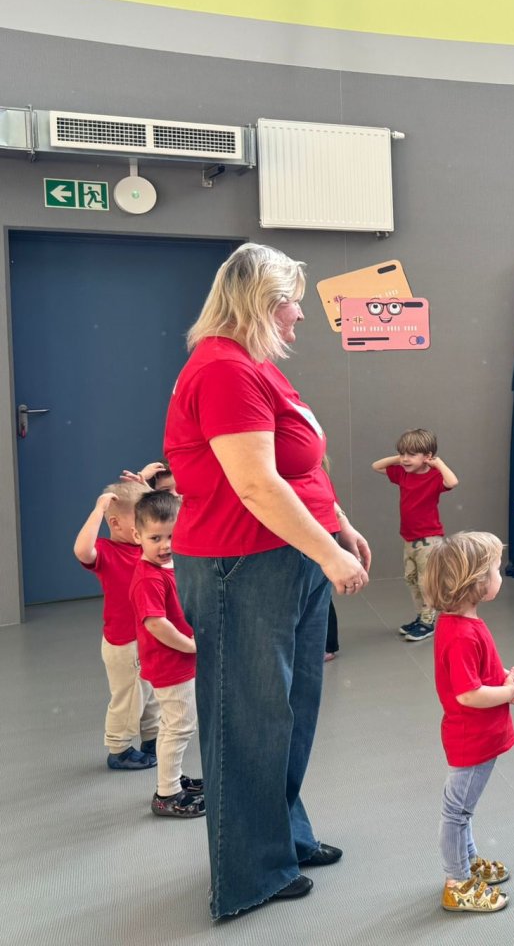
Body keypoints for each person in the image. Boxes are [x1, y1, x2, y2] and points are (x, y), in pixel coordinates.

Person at [165, 242, 372, 919]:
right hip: (241, 564)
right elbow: (256, 484)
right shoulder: (223, 370)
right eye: (291, 304)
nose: (299, 317)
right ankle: (249, 872)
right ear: (259, 302)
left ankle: (283, 837)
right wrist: (331, 554)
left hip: (287, 558)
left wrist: (338, 525)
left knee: (289, 712)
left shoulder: (254, 367)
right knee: (248, 720)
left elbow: (298, 464)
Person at [426, 532, 514, 914]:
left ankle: (467, 861)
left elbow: (479, 675)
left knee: (462, 808)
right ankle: (457, 882)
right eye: (496, 570)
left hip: (479, 736)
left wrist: (503, 681)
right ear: (477, 583)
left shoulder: (462, 624)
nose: (501, 575)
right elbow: (468, 694)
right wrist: (507, 692)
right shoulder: (461, 634)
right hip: (472, 739)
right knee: (456, 811)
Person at [74, 479, 159, 770]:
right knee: (129, 696)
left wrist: (150, 493)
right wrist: (98, 510)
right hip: (125, 643)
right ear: (115, 523)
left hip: (151, 637)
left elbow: (168, 519)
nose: (147, 528)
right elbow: (82, 550)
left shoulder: (148, 547)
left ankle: (152, 738)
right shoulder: (106, 551)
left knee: (151, 694)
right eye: (140, 521)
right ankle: (119, 748)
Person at [129, 491, 205, 818]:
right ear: (137, 536)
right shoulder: (148, 578)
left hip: (179, 662)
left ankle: (173, 778)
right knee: (180, 726)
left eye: (171, 536)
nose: (165, 545)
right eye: (155, 538)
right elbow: (156, 624)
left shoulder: (169, 567)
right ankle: (167, 794)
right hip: (170, 665)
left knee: (173, 724)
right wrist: (190, 645)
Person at [373, 428, 459, 641]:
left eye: (411, 454)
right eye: (402, 454)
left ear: (427, 456)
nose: (405, 459)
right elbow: (376, 466)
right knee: (412, 580)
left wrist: (438, 463)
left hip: (429, 540)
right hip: (409, 539)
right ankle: (421, 617)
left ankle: (428, 622)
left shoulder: (434, 476)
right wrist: (400, 459)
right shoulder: (402, 474)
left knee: (426, 582)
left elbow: (452, 482)